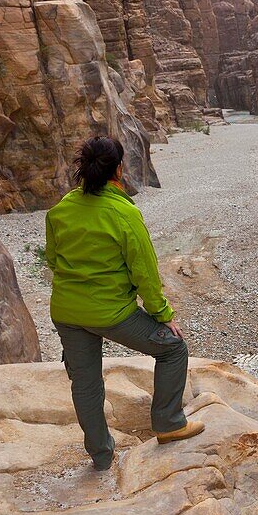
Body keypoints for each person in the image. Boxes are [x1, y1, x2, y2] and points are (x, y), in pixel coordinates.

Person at [45, 134, 204, 470]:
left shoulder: (60, 211)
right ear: (118, 170)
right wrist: (163, 315)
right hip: (111, 313)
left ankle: (101, 456)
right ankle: (169, 423)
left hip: (66, 311)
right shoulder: (123, 213)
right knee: (173, 349)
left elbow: (54, 260)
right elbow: (144, 272)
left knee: (85, 383)